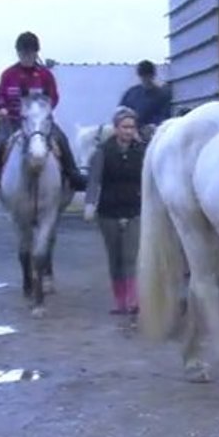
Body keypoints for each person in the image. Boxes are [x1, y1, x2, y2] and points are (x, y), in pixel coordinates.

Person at [0, 31, 87, 203]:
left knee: (62, 139)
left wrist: (45, 110)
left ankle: (73, 176)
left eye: (30, 53)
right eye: (23, 53)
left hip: (39, 122)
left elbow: (54, 96)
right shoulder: (8, 74)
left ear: (36, 53)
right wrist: (1, 108)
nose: (26, 56)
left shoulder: (45, 75)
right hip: (13, 121)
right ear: (18, 53)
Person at [83, 107, 145, 315]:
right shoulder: (102, 152)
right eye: (124, 127)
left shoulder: (141, 152)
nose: (128, 131)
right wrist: (90, 204)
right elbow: (94, 180)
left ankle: (132, 299)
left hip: (134, 209)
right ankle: (119, 301)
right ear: (116, 128)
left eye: (132, 127)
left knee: (131, 255)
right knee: (115, 257)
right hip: (108, 211)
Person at [118, 60, 170, 142]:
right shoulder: (131, 93)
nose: (146, 80)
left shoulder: (162, 95)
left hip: (150, 135)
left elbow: (164, 116)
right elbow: (120, 112)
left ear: (153, 76)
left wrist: (153, 125)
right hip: (130, 132)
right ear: (139, 76)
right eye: (143, 77)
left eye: (148, 76)